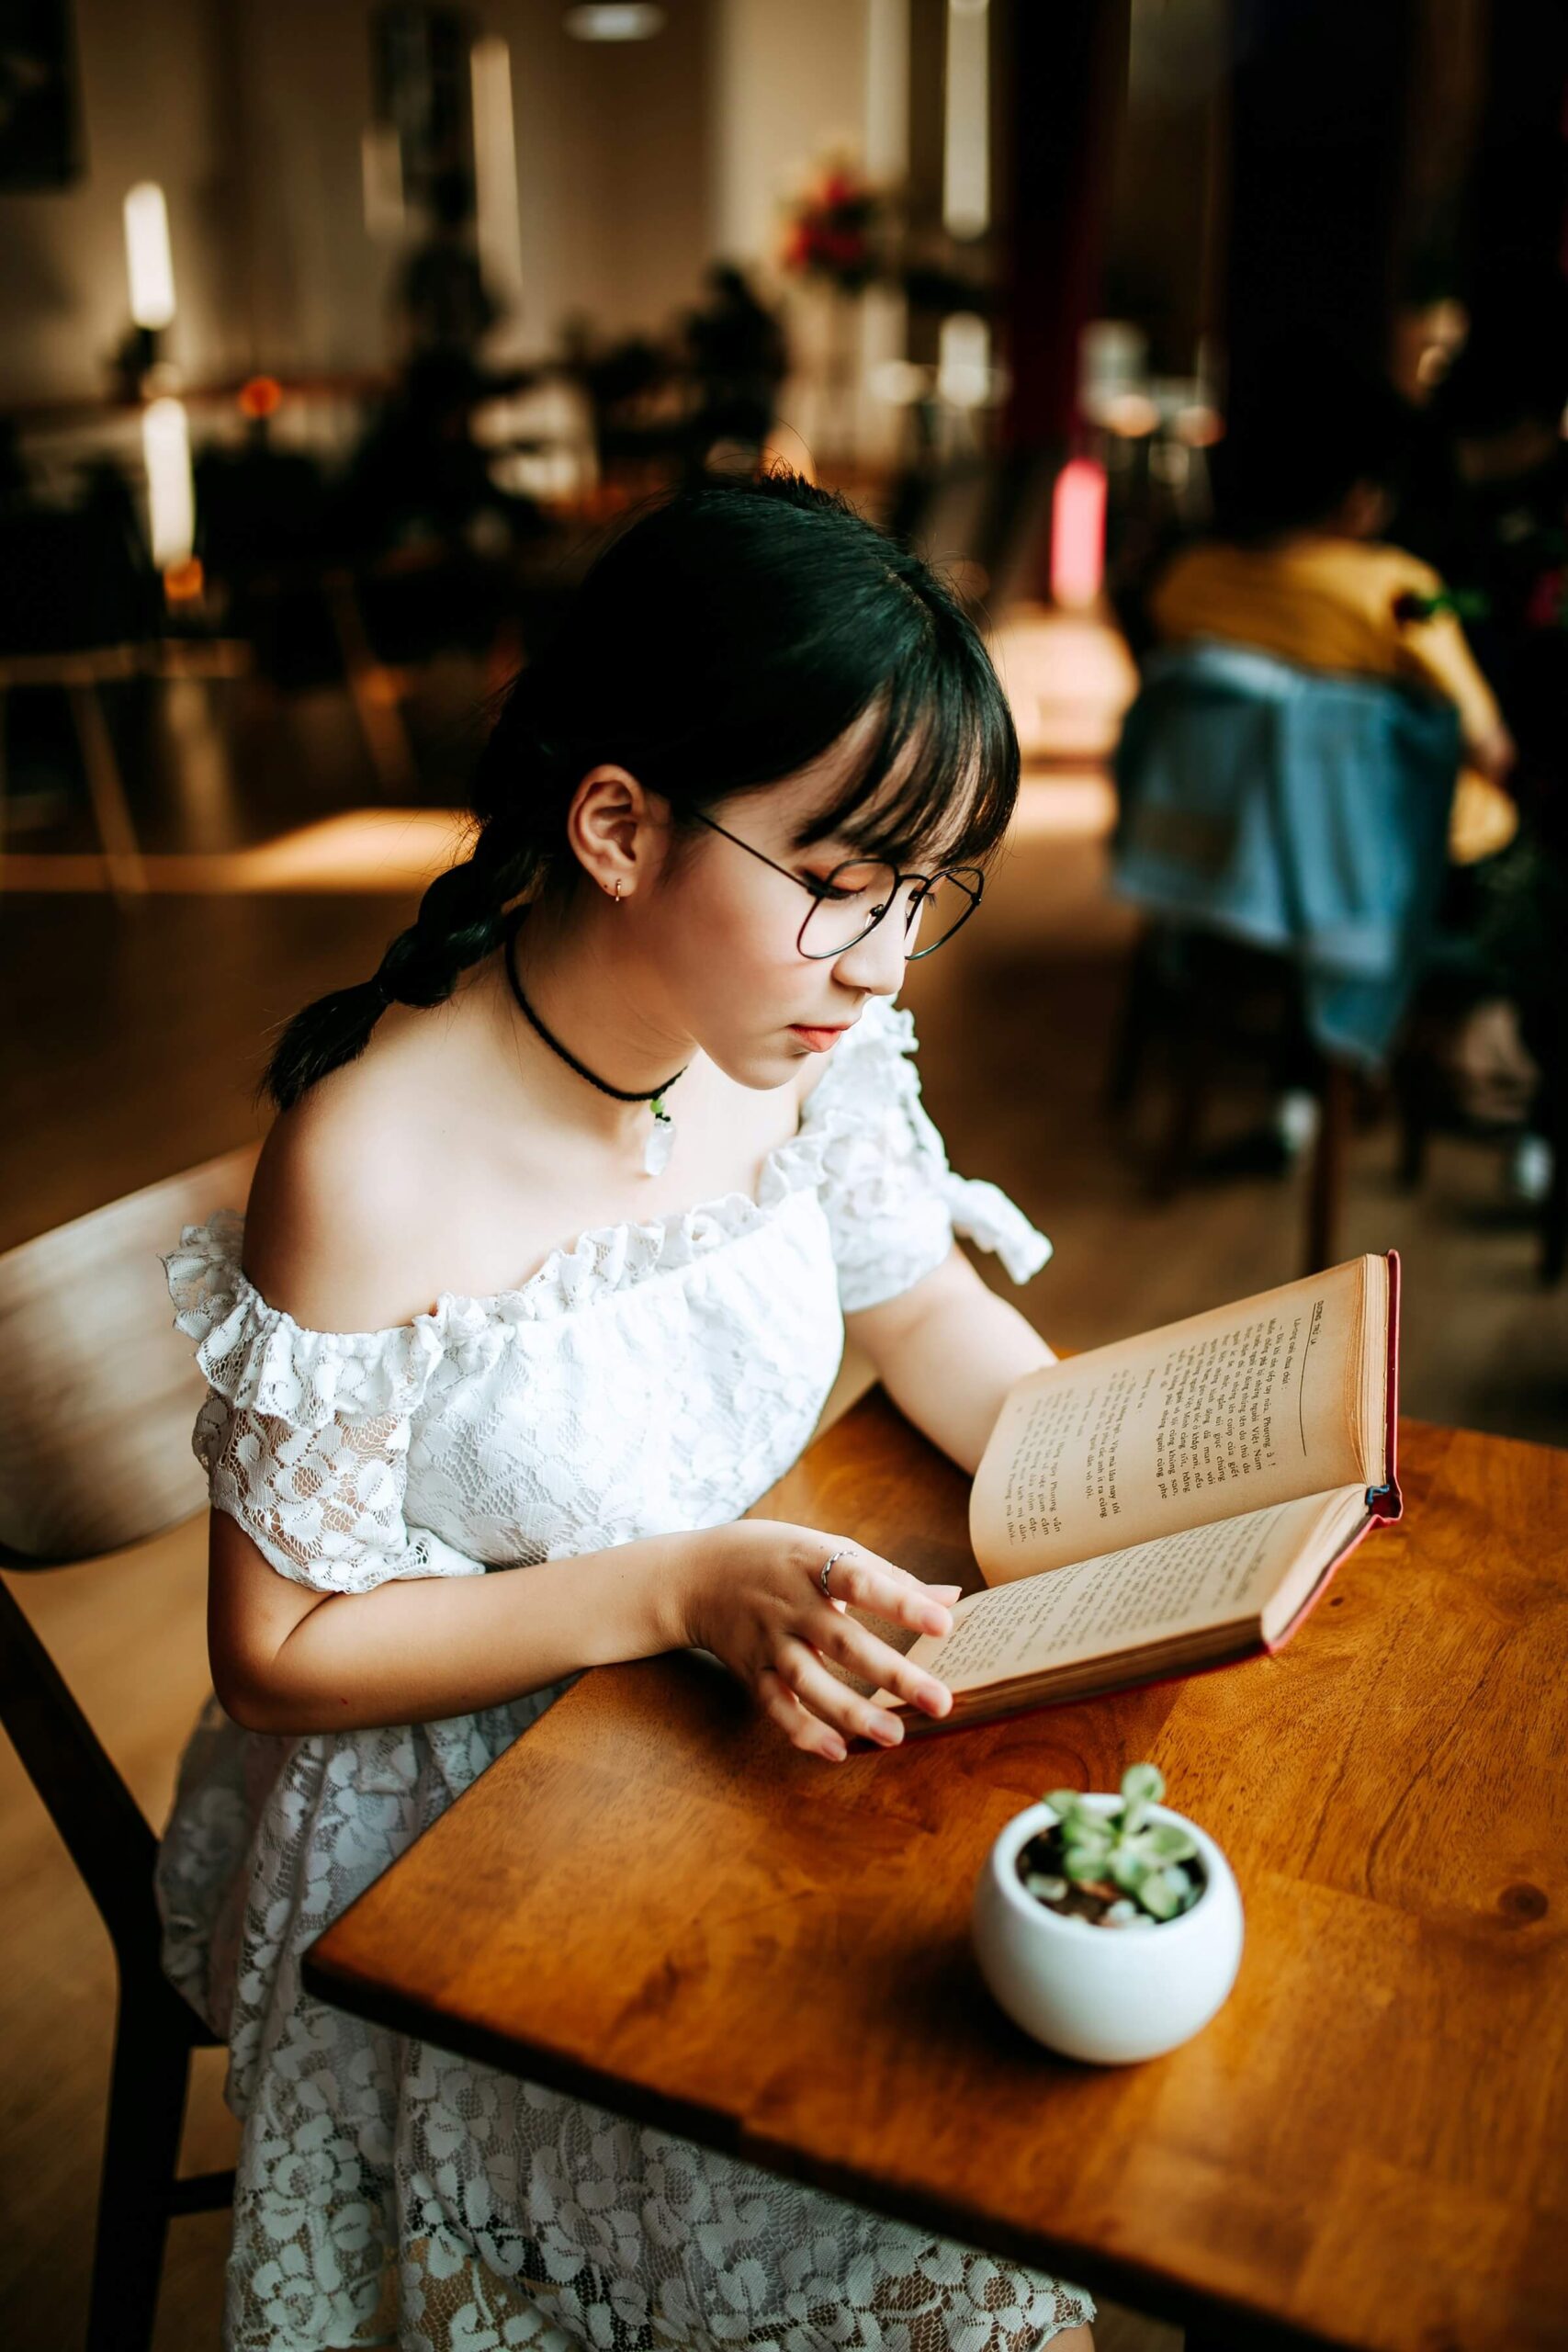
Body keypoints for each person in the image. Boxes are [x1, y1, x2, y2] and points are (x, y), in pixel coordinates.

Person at [156, 469, 1095, 2352]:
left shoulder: (796, 1044)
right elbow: (277, 1650)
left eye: (922, 893)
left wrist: (1126, 1455)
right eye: (838, 888)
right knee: (908, 2137)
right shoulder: (372, 1161)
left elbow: (913, 1298)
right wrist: (676, 1588)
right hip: (459, 1832)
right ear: (614, 823)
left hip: (730, 1696)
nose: (886, 958)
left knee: (1010, 2070)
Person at [1148, 356, 1518, 865]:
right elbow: (1488, 749)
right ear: (1362, 498)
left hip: (1228, 837)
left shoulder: (1186, 578)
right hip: (1376, 854)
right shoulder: (1397, 592)